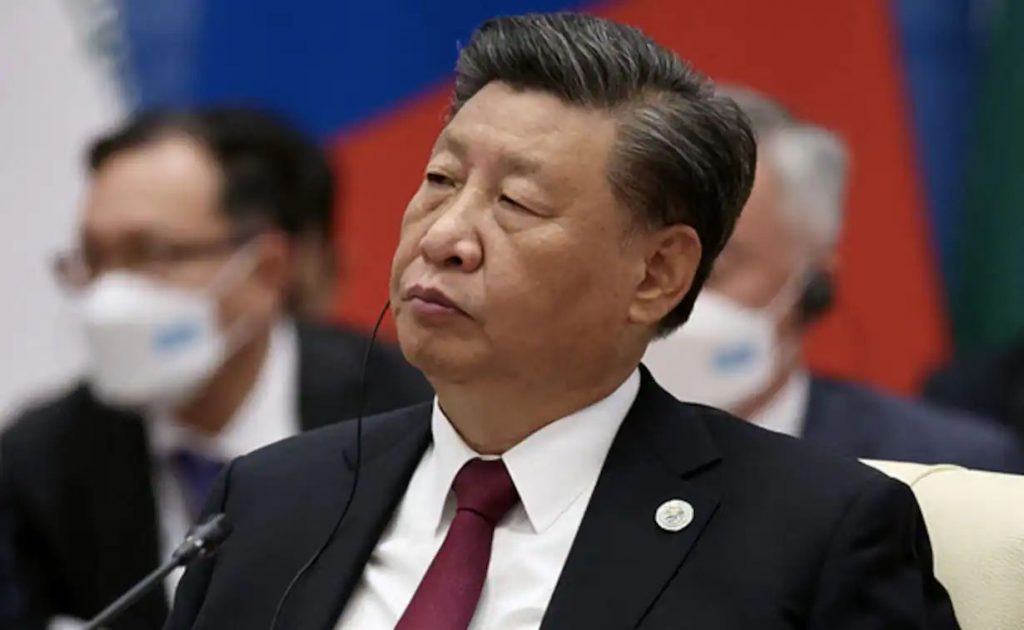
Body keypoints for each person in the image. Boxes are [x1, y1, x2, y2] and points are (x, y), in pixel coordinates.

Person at [167, 13, 958, 629]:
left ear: (657, 273)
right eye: (440, 180)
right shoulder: (267, 501)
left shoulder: (814, 535)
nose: (444, 237)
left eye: (516, 203)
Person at [0, 107, 432, 629]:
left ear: (266, 270)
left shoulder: (409, 411)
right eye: (94, 259)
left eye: (149, 253)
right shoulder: (40, 465)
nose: (109, 294)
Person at [643, 86, 1024, 474]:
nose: (668, 297)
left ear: (811, 284)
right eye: (649, 266)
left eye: (714, 270)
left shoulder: (946, 468)